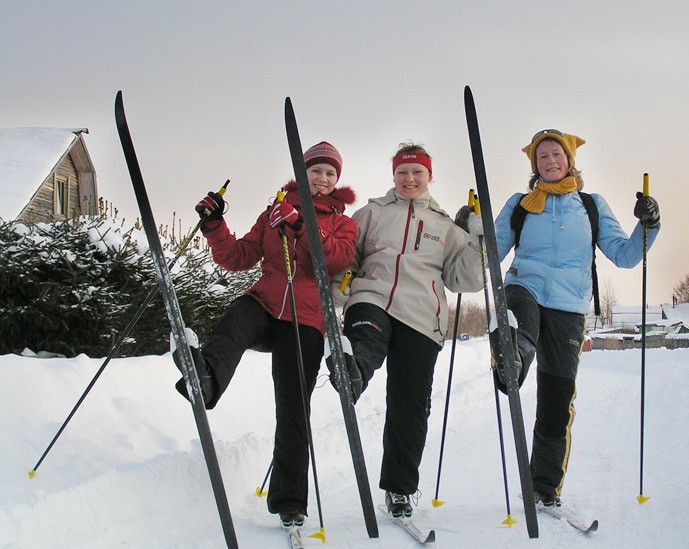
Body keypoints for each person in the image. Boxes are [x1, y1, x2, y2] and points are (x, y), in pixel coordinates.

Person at [174, 141, 357, 528]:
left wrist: (302, 226)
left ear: (337, 180)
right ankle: (205, 378)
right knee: (236, 321)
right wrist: (214, 225)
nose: (322, 179)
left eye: (330, 174)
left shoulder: (342, 222)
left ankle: (290, 501)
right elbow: (238, 257)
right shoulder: (273, 211)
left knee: (293, 410)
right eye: (316, 171)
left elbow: (336, 260)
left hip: (305, 320)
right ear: (302, 174)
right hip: (265, 301)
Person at [493, 129, 661, 507]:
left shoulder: (590, 205)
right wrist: (469, 227)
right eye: (542, 157)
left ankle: (544, 488)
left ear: (569, 160)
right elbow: (490, 251)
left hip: (569, 307)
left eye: (556, 155)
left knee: (557, 400)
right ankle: (510, 357)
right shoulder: (521, 204)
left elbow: (625, 255)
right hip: (525, 287)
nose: (550, 161)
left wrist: (648, 224)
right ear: (534, 166)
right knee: (519, 317)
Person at [334, 142, 484, 518]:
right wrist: (339, 283)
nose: (410, 179)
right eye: (403, 172)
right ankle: (351, 372)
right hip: (373, 297)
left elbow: (464, 280)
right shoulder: (369, 213)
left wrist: (477, 240)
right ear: (393, 176)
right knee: (366, 340)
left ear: (429, 177)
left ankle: (399, 490)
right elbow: (343, 256)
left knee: (411, 405)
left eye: (417, 172)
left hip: (422, 315)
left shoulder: (445, 226)